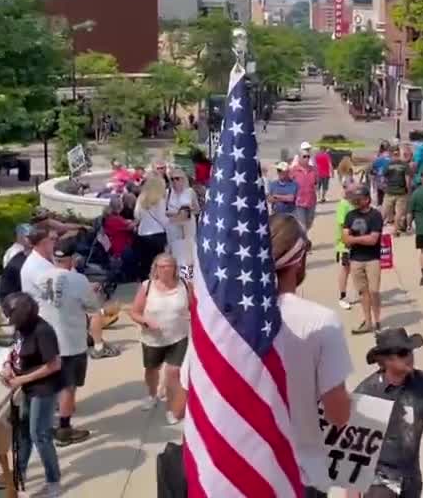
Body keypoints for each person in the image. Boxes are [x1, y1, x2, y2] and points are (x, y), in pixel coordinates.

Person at [172, 213, 353, 497]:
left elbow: (179, 406)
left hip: (231, 478)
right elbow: (338, 414)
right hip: (299, 476)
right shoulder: (322, 322)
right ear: (300, 260)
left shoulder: (217, 323)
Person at [354, 329, 423, 497]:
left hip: (411, 480)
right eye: (402, 353)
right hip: (377, 482)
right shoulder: (367, 393)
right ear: (385, 360)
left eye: (410, 350)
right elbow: (354, 451)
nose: (409, 356)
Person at [35, 236, 103, 445]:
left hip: (46, 342)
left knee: (50, 387)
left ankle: (43, 426)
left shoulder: (41, 277)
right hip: (70, 343)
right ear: (73, 258)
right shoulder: (79, 280)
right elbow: (93, 308)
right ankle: (64, 430)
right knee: (68, 388)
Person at [0, 293, 63, 497]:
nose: (8, 320)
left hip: (43, 389)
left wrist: (21, 380)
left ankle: (54, 481)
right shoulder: (21, 329)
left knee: (40, 435)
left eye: (10, 315)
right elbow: (14, 350)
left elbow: (54, 365)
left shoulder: (42, 331)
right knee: (23, 433)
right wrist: (8, 365)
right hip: (27, 388)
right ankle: (19, 475)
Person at [128, 254, 190, 424]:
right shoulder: (147, 287)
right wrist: (145, 321)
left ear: (174, 268)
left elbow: (194, 306)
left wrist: (191, 316)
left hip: (179, 337)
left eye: (168, 266)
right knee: (152, 370)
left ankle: (171, 409)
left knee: (172, 373)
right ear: (155, 269)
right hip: (153, 339)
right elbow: (134, 312)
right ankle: (152, 394)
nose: (164, 269)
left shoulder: (184, 285)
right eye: (160, 266)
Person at [343, 186, 385, 334]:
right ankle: (367, 322)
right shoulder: (350, 216)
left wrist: (354, 239)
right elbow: (345, 239)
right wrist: (359, 239)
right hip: (356, 259)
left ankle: (378, 320)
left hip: (372, 259)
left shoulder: (375, 215)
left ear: (367, 199)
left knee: (374, 291)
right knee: (363, 291)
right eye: (354, 199)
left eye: (358, 199)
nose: (355, 201)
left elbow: (373, 240)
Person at [131, 175, 170, 281]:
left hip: (142, 234)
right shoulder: (160, 201)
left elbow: (137, 216)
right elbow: (163, 219)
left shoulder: (141, 199)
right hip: (157, 235)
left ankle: (146, 287)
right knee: (158, 264)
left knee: (145, 264)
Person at [165, 167, 198, 276]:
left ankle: (189, 278)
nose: (175, 181)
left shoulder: (189, 192)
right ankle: (178, 277)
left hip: (188, 226)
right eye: (172, 179)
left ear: (183, 179)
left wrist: (186, 211)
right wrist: (179, 213)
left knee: (189, 253)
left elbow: (197, 209)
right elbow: (164, 212)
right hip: (173, 227)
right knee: (176, 253)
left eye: (177, 178)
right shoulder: (168, 193)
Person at [333, 180, 358, 310]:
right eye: (353, 190)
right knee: (345, 269)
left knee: (357, 269)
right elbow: (344, 225)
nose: (356, 193)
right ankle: (342, 296)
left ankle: (360, 292)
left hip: (356, 242)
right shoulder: (343, 205)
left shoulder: (354, 203)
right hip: (345, 244)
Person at [381, 146, 412, 234]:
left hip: (389, 191)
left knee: (384, 211)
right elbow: (407, 180)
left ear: (391, 154)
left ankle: (377, 228)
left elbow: (383, 179)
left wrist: (385, 188)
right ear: (399, 153)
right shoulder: (405, 165)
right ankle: (395, 230)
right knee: (399, 212)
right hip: (401, 192)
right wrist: (408, 191)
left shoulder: (388, 165)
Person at [289, 145, 319, 233]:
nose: (306, 158)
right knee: (302, 225)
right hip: (299, 202)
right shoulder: (293, 170)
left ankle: (302, 238)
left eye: (308, 156)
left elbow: (316, 183)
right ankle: (303, 243)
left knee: (309, 223)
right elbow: (289, 183)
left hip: (311, 201)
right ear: (299, 158)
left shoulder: (313, 170)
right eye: (304, 156)